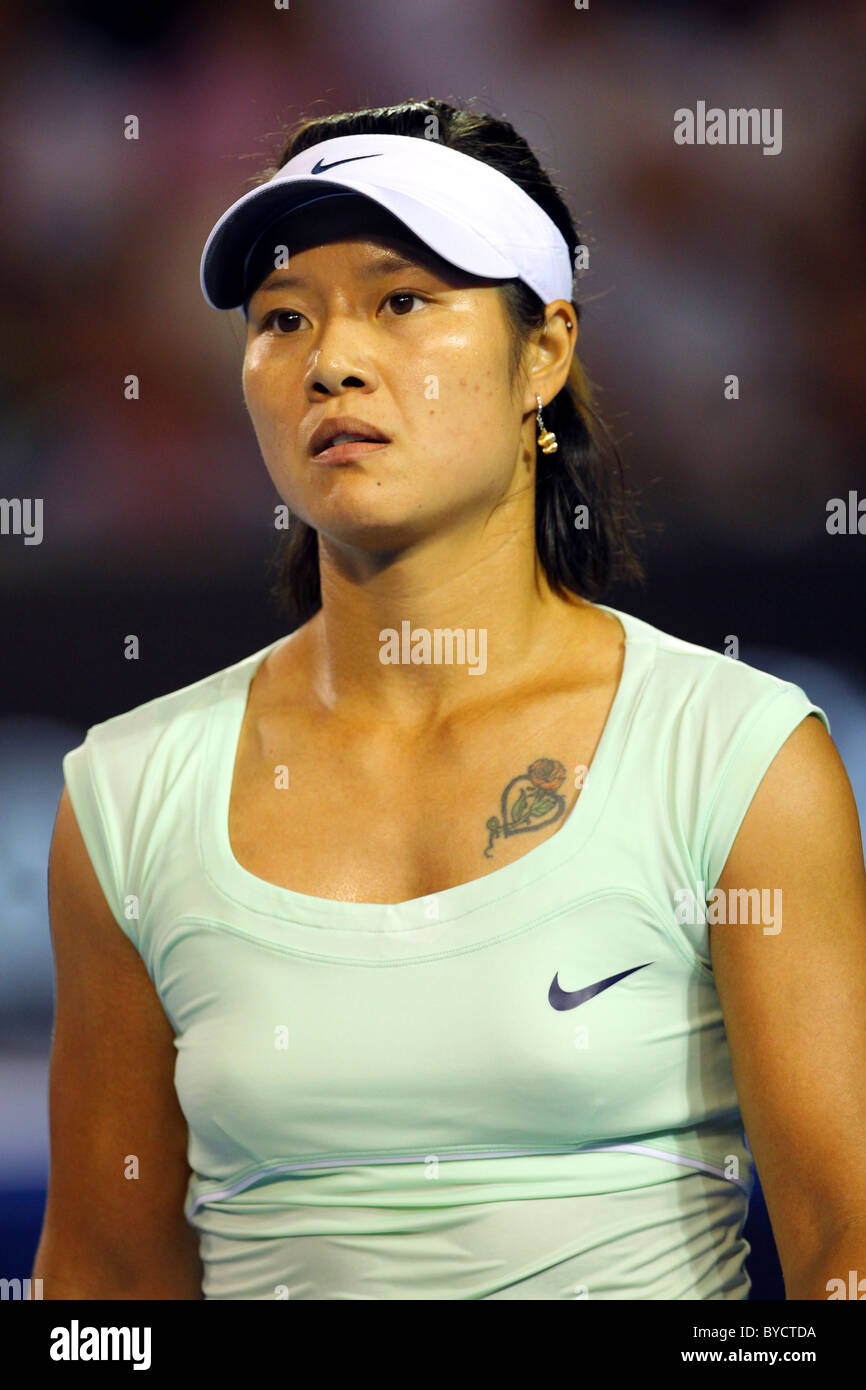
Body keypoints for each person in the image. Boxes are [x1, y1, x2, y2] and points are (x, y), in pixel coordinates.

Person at [34, 99, 866, 1301]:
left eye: (401, 301)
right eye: (281, 317)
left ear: (544, 353)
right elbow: (100, 1296)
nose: (331, 359)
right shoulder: (124, 792)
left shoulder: (735, 756)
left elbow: (845, 1258)